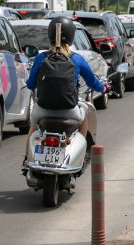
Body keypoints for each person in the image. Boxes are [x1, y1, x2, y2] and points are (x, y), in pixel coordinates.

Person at [23, 16, 110, 164]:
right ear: (71, 36)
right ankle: (80, 158)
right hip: (70, 111)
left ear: (50, 34)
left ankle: (27, 159)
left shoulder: (40, 58)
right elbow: (93, 82)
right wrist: (104, 88)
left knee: (33, 129)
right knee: (84, 120)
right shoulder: (77, 59)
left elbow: (31, 85)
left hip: (43, 110)